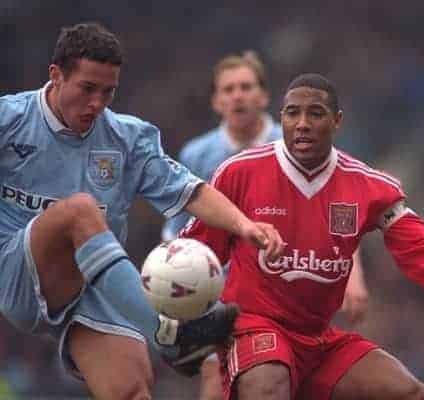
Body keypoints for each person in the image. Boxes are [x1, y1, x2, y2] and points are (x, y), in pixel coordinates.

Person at [0, 22, 285, 400]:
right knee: (80, 211)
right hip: (18, 272)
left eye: (108, 92)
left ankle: (167, 336)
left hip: (94, 289)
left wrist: (244, 224)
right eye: (87, 89)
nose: (98, 104)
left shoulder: (127, 137)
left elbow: (190, 191)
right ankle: (170, 336)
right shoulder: (10, 120)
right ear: (56, 75)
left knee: (131, 390)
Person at [180, 73, 424, 400]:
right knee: (269, 383)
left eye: (315, 114)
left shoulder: (366, 184)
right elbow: (198, 251)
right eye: (292, 113)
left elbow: (413, 235)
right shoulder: (239, 172)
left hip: (318, 340)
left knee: (411, 394)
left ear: (337, 121)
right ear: (282, 119)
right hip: (254, 326)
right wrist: (177, 305)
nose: (302, 123)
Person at [163, 52, 370, 400]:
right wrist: (180, 299)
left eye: (246, 87)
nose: (237, 96)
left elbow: (339, 215)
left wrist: (355, 277)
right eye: (228, 89)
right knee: (216, 388)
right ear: (216, 101)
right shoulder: (197, 155)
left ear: (263, 97)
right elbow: (179, 235)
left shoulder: (297, 141)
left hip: (289, 291)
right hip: (223, 296)